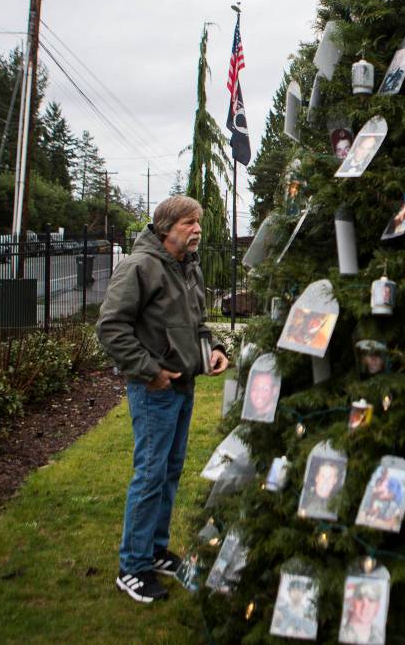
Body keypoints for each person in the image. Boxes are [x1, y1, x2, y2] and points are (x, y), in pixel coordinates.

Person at [98, 195, 229, 603]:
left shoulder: (187, 267)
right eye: (190, 223)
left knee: (169, 473)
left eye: (199, 223)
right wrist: (150, 372)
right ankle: (132, 567)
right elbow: (111, 327)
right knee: (150, 475)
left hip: (183, 386)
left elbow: (195, 323)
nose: (198, 231)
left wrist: (214, 348)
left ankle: (154, 551)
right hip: (155, 391)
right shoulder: (140, 267)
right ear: (166, 226)